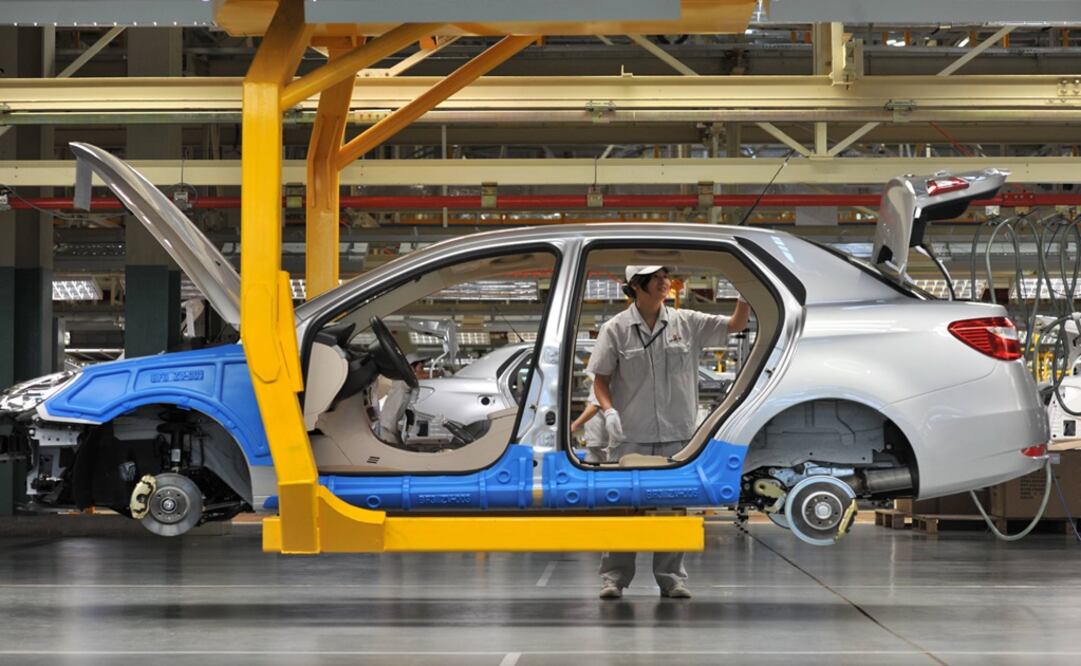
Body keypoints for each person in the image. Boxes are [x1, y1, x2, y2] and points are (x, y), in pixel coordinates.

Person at [587, 265, 750, 600]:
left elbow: (735, 325)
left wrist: (744, 296)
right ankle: (614, 578)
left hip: (677, 434)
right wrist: (609, 411)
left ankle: (672, 578)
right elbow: (600, 379)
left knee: (673, 507)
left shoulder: (686, 322)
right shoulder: (615, 329)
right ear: (635, 285)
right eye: (656, 277)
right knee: (623, 508)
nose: (665, 282)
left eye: (665, 276)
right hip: (630, 435)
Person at [378, 352, 431, 445]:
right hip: (388, 427)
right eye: (420, 367)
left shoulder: (409, 383)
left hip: (394, 425)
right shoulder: (401, 381)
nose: (422, 370)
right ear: (410, 367)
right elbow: (416, 379)